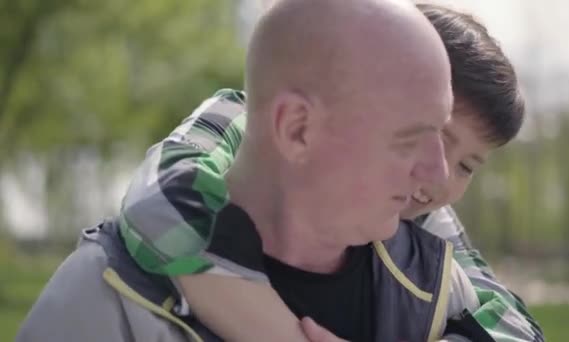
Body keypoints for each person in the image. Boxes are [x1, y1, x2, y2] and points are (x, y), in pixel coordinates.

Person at [17, 0, 465, 341]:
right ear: (297, 128)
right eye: (408, 139)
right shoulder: (106, 296)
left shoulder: (442, 288)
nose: (439, 174)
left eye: (441, 137)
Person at [106, 3, 544, 342]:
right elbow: (161, 203)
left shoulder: (424, 213)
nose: (438, 176)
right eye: (423, 136)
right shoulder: (244, 119)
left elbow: (511, 322)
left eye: (467, 166)